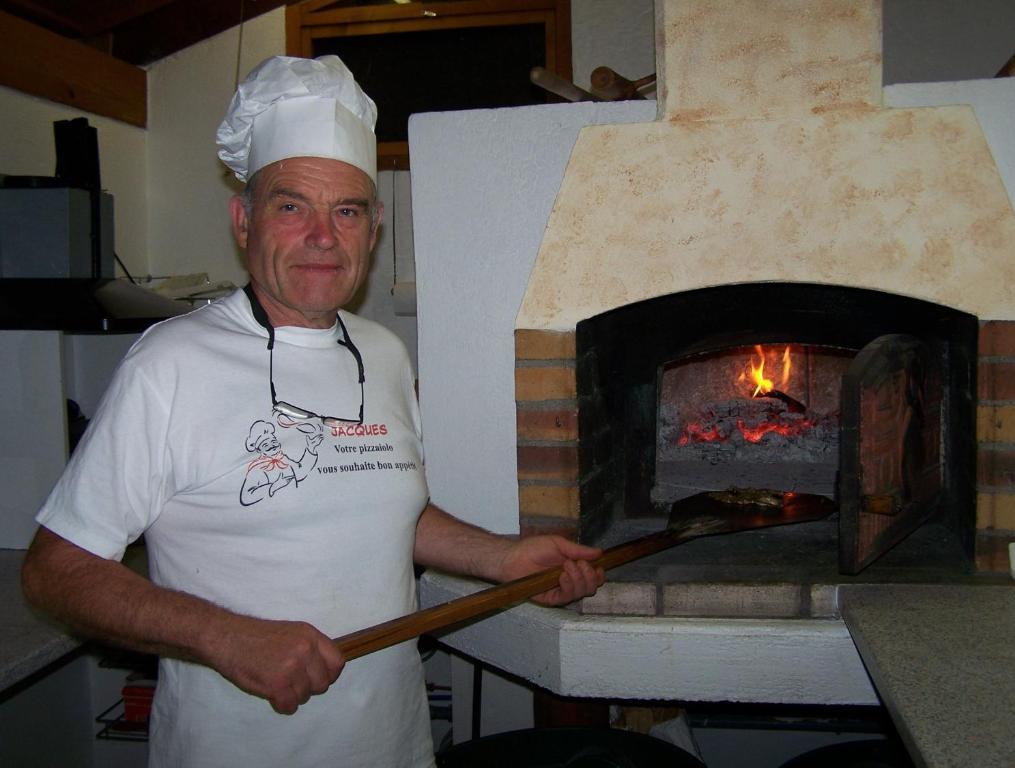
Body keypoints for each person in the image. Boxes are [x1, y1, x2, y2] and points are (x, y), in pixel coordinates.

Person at [21, 55, 604, 768]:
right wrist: (225, 636)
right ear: (243, 219)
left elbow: (388, 507)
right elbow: (55, 570)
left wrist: (505, 556)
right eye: (291, 206)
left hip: (393, 744)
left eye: (347, 211)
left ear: (374, 227)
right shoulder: (169, 364)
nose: (323, 237)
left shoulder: (385, 353)